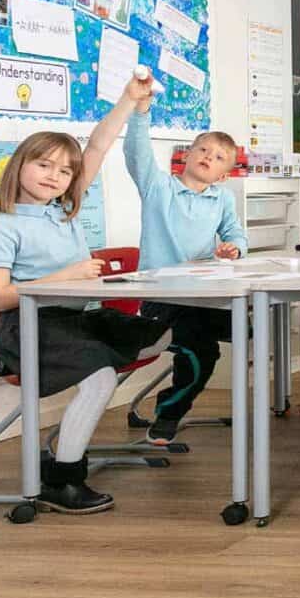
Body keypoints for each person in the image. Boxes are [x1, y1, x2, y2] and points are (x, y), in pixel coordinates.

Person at [0, 75, 174, 513]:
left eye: (65, 170)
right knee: (101, 377)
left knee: (165, 333)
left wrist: (128, 100)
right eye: (44, 165)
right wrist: (66, 275)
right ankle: (63, 480)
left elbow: (99, 147)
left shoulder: (64, 212)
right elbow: (2, 297)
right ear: (19, 166)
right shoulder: (1, 228)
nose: (56, 176)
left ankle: (67, 434)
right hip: (26, 323)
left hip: (75, 318)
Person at [125, 81, 247, 445]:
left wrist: (234, 250)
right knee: (201, 352)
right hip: (161, 300)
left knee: (252, 324)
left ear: (224, 174)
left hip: (203, 294)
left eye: (219, 156)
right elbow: (136, 152)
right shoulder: (157, 187)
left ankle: (255, 403)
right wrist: (141, 111)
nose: (208, 156)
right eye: (203, 149)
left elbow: (237, 236)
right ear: (188, 155)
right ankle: (169, 412)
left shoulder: (222, 199)